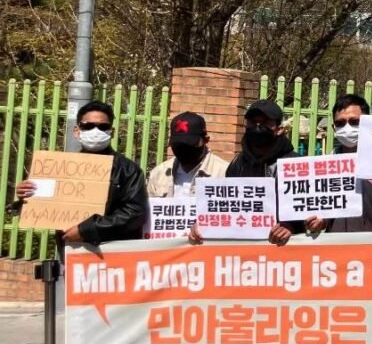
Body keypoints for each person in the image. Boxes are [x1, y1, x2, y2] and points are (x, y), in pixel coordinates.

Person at [16, 100, 148, 245]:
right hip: (69, 248)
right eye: (88, 126)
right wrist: (27, 196)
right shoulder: (61, 167)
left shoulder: (128, 170)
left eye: (103, 127)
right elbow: (47, 205)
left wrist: (87, 230)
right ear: (77, 131)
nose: (96, 131)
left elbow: (135, 213)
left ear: (112, 132)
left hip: (109, 250)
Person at [188, 99, 301, 246]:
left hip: (283, 253)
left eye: (265, 122)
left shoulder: (295, 165)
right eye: (253, 122)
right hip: (245, 252)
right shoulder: (237, 164)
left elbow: (307, 214)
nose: (258, 126)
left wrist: (291, 226)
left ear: (279, 129)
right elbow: (227, 207)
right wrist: (204, 224)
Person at [304, 94, 372, 237]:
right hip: (335, 246)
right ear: (334, 127)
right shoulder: (324, 166)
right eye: (340, 123)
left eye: (354, 122)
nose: (347, 128)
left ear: (368, 124)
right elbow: (321, 209)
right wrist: (319, 222)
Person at [147, 111, 230, 197]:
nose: (183, 149)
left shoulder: (225, 174)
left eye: (189, 144)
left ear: (206, 140)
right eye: (178, 144)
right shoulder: (159, 174)